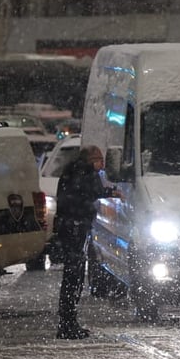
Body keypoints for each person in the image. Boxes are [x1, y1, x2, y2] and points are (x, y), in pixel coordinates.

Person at [54, 144, 117, 339]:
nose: (102, 163)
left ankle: (68, 322)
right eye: (98, 159)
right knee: (74, 276)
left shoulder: (72, 171)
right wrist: (111, 192)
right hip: (74, 227)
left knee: (73, 275)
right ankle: (67, 324)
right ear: (90, 160)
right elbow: (91, 191)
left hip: (70, 226)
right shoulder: (84, 173)